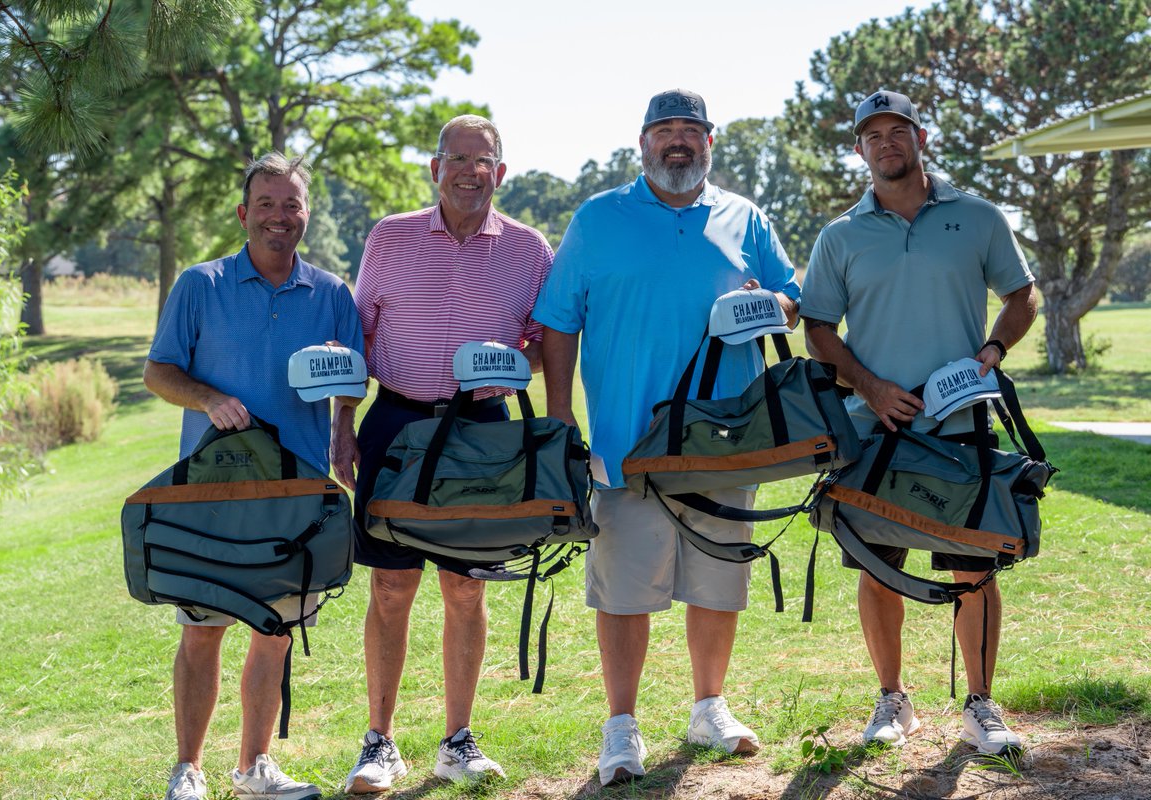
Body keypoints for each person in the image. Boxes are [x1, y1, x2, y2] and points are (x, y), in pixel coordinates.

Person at [533, 89, 801, 786]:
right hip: (626, 443)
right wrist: (561, 414)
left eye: (691, 130)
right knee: (624, 589)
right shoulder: (598, 219)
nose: (678, 142)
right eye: (665, 131)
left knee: (718, 581)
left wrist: (777, 302)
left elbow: (792, 296)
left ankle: (708, 707)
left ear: (710, 142)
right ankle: (620, 728)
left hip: (724, 441)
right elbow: (559, 321)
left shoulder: (746, 217)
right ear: (643, 142)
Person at [800, 90, 1038, 755]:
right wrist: (870, 388)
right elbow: (818, 327)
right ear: (858, 150)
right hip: (875, 431)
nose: (885, 143)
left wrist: (991, 353)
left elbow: (1022, 296)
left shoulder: (979, 216)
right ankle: (892, 700)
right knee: (880, 569)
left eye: (896, 130)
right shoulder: (841, 235)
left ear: (920, 136)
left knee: (975, 570)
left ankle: (981, 706)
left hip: (962, 425)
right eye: (871, 136)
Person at [342, 114, 552, 794]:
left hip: (480, 432)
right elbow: (357, 334)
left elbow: (545, 342)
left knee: (465, 589)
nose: (469, 171)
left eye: (482, 160)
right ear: (435, 169)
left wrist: (523, 364)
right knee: (392, 585)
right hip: (396, 421)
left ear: (501, 172)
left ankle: (457, 741)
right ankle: (379, 743)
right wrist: (343, 424)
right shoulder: (390, 237)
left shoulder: (529, 251)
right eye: (456, 159)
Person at [144, 153, 364, 800]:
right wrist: (208, 398)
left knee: (273, 632)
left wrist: (343, 401)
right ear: (244, 214)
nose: (279, 216)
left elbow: (355, 379)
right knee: (203, 629)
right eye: (266, 204)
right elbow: (160, 372)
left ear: (306, 215)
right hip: (215, 494)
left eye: (291, 204)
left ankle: (254, 767)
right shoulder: (200, 284)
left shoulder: (331, 294)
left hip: (296, 496)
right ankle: (188, 769)